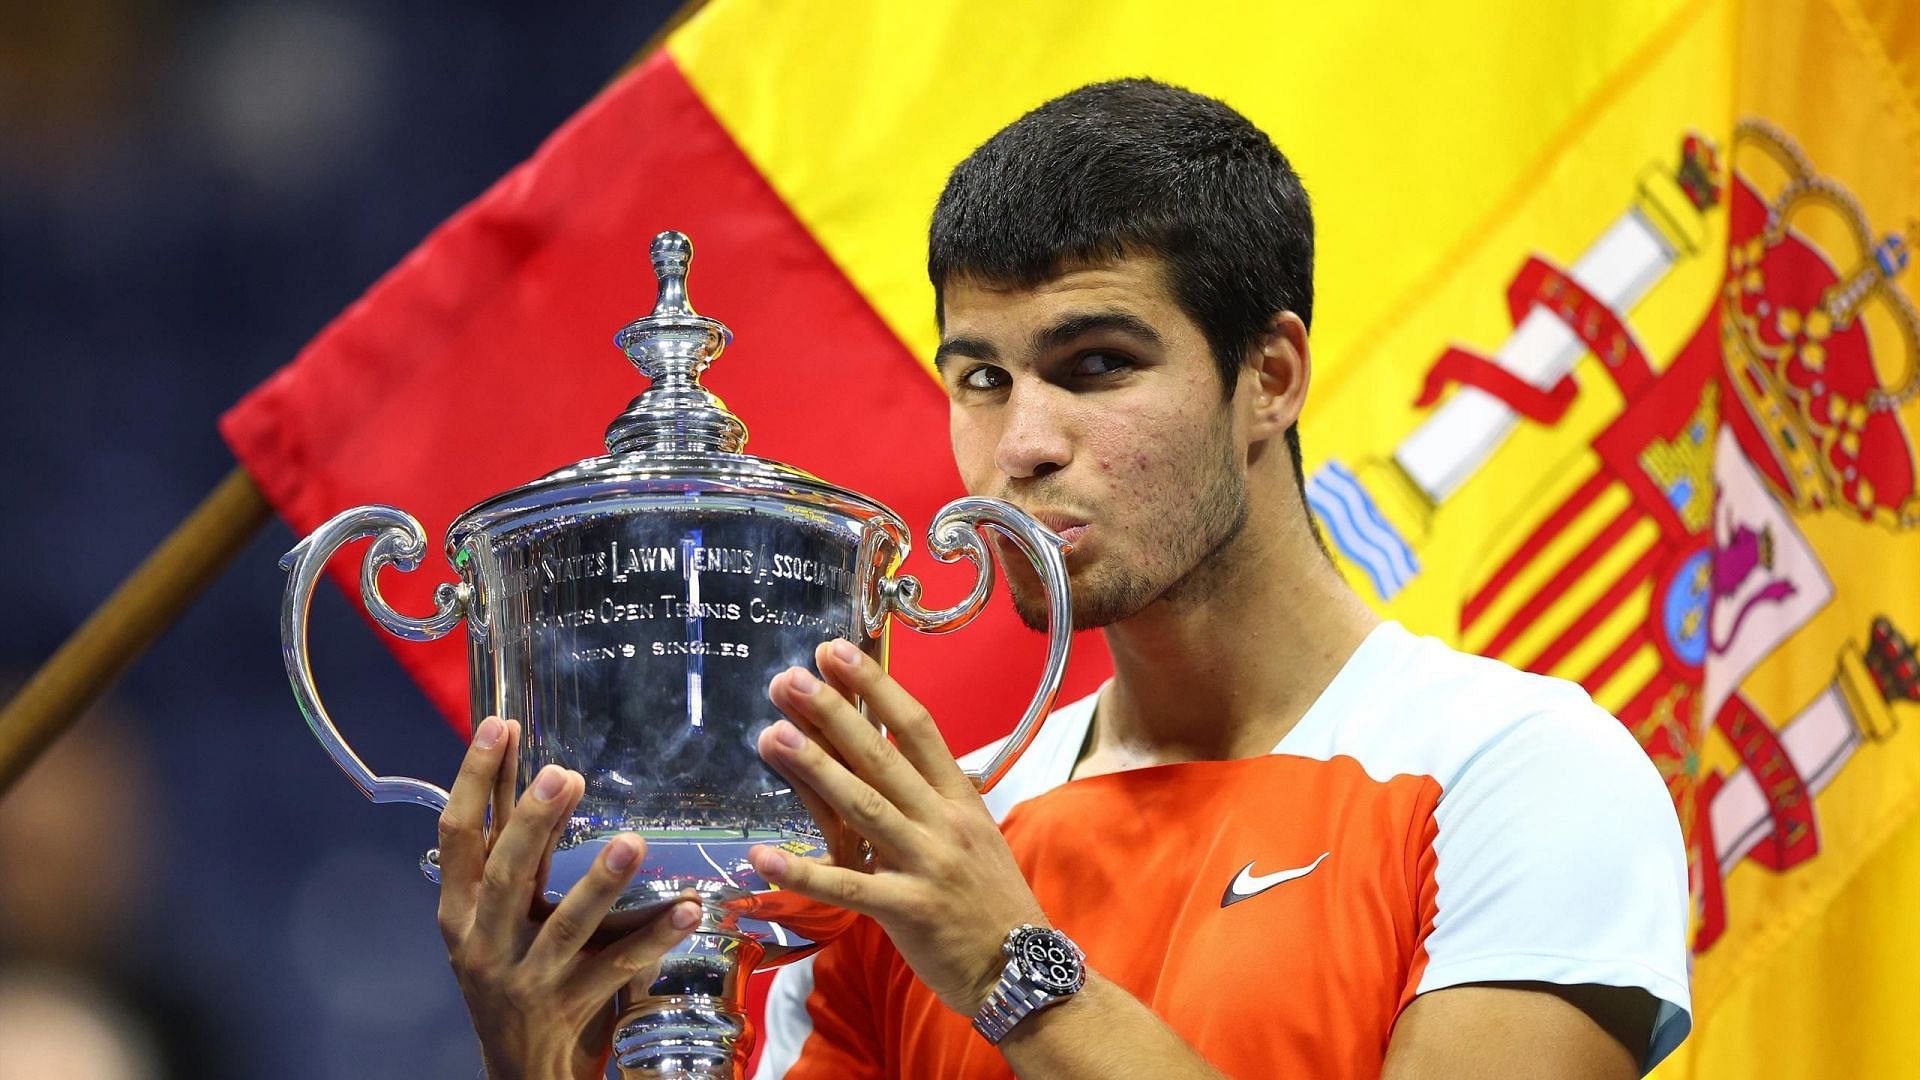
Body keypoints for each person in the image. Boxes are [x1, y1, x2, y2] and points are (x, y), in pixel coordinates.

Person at [439, 79, 1690, 1079]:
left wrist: (1013, 968)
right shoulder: (917, 850)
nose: (1021, 444)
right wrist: (540, 1056)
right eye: (981, 378)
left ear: (1271, 377)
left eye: (1094, 364)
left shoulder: (1524, 770)